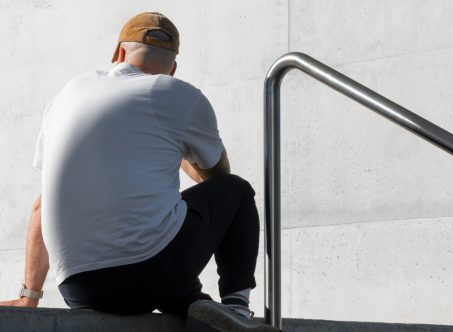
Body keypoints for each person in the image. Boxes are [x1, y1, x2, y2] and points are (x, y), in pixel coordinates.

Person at [0, 12, 279, 332]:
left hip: (78, 288)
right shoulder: (178, 94)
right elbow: (214, 178)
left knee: (153, 250)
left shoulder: (68, 93)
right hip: (151, 274)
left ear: (119, 54)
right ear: (173, 69)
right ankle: (236, 308)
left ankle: (195, 303)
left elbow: (42, 205)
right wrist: (175, 147)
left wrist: (29, 296)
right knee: (236, 190)